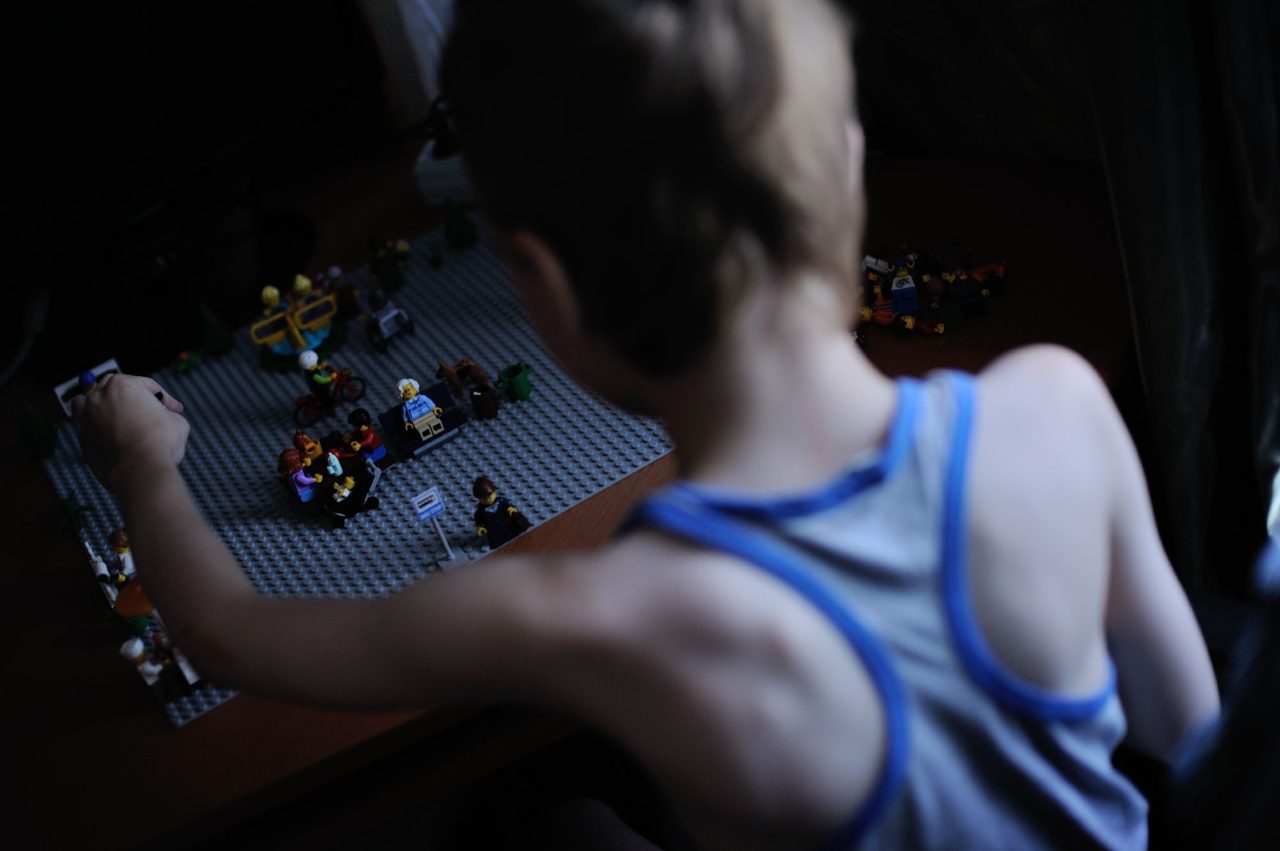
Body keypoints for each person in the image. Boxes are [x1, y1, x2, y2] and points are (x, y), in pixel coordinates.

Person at [71, 1, 1218, 848]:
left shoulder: (614, 617)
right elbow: (1194, 745)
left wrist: (144, 465)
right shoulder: (1057, 406)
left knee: (546, 823)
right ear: (850, 162)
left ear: (542, 288)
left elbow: (232, 635)